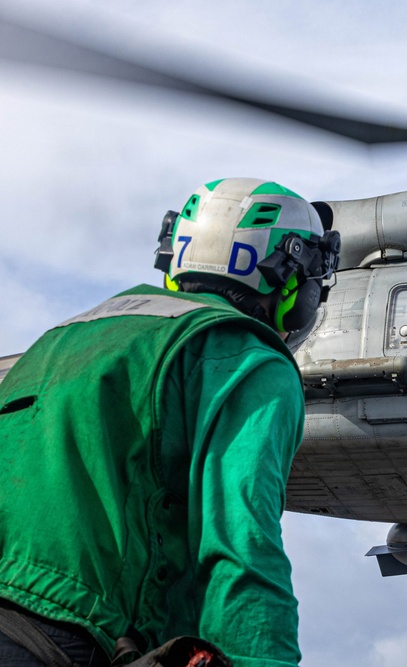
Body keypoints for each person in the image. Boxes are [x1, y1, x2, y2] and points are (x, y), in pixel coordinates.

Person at [0, 178, 340, 666]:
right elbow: (240, 539)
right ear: (290, 277)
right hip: (61, 636)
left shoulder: (64, 336)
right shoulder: (246, 357)